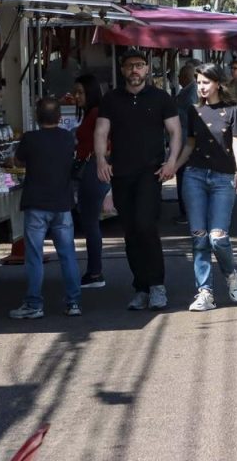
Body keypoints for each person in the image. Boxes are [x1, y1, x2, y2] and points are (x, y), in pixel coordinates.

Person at [95, 48, 181, 311]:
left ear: (147, 69)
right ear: (122, 70)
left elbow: (175, 131)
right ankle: (140, 288)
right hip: (121, 173)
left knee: (146, 226)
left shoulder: (161, 98)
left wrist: (172, 161)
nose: (135, 70)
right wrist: (100, 159)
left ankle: (157, 286)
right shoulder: (111, 99)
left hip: (150, 172)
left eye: (140, 65)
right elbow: (101, 131)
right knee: (131, 232)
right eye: (130, 65)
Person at [173, 63, 237, 312]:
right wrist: (172, 167)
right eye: (198, 82)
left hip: (222, 178)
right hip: (194, 176)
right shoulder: (194, 111)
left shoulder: (233, 110)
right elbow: (190, 144)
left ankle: (230, 273)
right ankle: (205, 292)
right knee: (199, 238)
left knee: (218, 238)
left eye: (206, 82)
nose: (201, 87)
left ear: (218, 83)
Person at [9, 97, 82, 319]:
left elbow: (18, 162)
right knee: (67, 254)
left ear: (36, 117)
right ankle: (73, 303)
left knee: (34, 255)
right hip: (62, 204)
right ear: (60, 117)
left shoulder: (30, 139)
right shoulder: (68, 138)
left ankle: (34, 304)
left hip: (36, 204)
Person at [72, 74, 110, 289]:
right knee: (90, 222)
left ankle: (95, 272)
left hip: (93, 170)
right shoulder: (93, 113)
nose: (76, 97)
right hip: (93, 169)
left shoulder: (97, 113)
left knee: (90, 222)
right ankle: (94, 271)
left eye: (80, 92)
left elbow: (107, 142)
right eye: (75, 92)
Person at [174, 62, 199, 224]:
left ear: (185, 77)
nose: (177, 78)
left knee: (184, 176)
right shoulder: (189, 92)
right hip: (185, 139)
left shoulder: (189, 93)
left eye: (180, 75)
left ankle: (187, 212)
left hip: (185, 140)